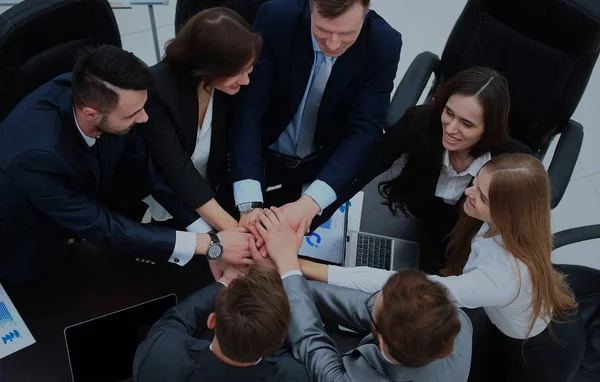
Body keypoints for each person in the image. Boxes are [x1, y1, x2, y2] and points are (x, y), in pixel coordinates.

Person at [299, 154, 586, 381]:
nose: (469, 192)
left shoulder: (500, 277)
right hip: (519, 322)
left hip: (534, 356)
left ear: (508, 212)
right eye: (476, 182)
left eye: (482, 197)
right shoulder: (516, 227)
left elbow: (398, 285)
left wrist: (302, 266)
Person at [0, 45, 252, 284]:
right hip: (27, 235)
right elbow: (104, 227)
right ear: (91, 114)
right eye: (133, 114)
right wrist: (209, 245)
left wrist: (210, 235)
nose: (143, 118)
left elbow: (150, 169)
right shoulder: (34, 158)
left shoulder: (104, 95)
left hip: (88, 200)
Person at [316, 66, 531, 274]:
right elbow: (362, 168)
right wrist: (313, 209)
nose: (451, 128)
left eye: (466, 124)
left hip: (470, 244)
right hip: (417, 218)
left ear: (489, 128)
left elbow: (513, 234)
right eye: (449, 112)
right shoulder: (419, 122)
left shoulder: (512, 162)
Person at [227, 0, 402, 233]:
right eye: (323, 30)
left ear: (366, 12)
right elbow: (248, 108)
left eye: (346, 34)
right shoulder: (276, 18)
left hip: (324, 167)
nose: (333, 44)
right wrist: (248, 203)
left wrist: (311, 202)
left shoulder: (384, 42)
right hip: (257, 154)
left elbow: (365, 130)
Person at [245, 208, 473, 382]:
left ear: (382, 343)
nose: (368, 300)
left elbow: (311, 343)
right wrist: (288, 272)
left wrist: (285, 268)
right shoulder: (456, 320)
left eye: (374, 303)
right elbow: (359, 306)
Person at [138, 8, 263, 277]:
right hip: (158, 207)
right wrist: (236, 234)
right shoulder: (156, 91)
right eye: (237, 73)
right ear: (208, 67)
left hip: (209, 200)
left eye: (248, 69)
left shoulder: (227, 86)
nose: (246, 79)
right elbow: (176, 171)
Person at [133, 265, 310, 382]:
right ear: (280, 338)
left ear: (212, 321)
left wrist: (226, 280)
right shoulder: (293, 376)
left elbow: (174, 320)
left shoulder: (161, 356)